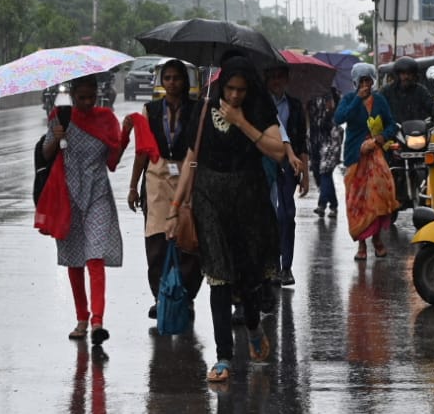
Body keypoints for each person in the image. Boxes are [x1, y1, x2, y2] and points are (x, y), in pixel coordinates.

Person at [167, 55, 288, 385]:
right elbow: (191, 158)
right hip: (209, 200)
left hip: (248, 201)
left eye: (241, 90)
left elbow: (278, 151)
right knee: (218, 276)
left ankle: (252, 325)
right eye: (230, 89)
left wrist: (241, 122)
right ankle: (222, 356)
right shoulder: (204, 109)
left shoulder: (258, 109)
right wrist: (175, 207)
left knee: (246, 277)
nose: (234, 95)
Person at [37, 74, 127, 345]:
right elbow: (45, 153)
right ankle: (81, 319)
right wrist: (55, 136)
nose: (87, 103)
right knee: (75, 259)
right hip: (67, 195)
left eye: (91, 97)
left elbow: (112, 161)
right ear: (73, 96)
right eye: (81, 98)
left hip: (98, 194)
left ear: (98, 94)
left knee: (94, 256)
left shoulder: (107, 119)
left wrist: (125, 136)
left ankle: (98, 320)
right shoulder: (60, 116)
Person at [126, 59, 204, 327]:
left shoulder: (197, 110)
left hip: (187, 174)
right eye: (167, 78)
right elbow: (141, 151)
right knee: (157, 242)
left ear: (186, 81)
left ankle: (186, 296)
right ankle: (160, 296)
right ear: (161, 81)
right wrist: (133, 186)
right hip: (157, 179)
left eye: (177, 78)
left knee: (188, 241)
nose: (172, 83)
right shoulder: (150, 110)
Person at [335, 62, 400, 260]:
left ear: (373, 81)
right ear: (355, 82)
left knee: (379, 194)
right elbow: (339, 118)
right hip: (355, 156)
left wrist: (380, 139)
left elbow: (391, 124)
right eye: (361, 81)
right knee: (357, 201)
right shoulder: (348, 99)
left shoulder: (379, 100)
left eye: (368, 80)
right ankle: (361, 244)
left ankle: (377, 239)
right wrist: (358, 100)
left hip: (376, 155)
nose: (365, 84)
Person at [264, 65, 311, 287]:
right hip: (264, 163)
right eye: (272, 77)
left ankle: (286, 267)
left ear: (286, 79)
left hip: (288, 165)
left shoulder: (294, 105)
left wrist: (305, 175)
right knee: (268, 215)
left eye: (279, 77)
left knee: (286, 214)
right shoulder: (258, 104)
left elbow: (302, 140)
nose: (275, 81)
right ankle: (270, 264)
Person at [307, 88, 343, 217]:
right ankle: (333, 205)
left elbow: (339, 114)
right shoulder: (309, 94)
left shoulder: (333, 92)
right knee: (318, 173)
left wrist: (331, 108)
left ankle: (322, 205)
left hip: (331, 137)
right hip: (315, 137)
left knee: (325, 171)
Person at [382, 55, 434, 125]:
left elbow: (433, 108)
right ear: (398, 75)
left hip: (417, 131)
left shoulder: (421, 91)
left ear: (414, 75)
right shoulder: (387, 91)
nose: (406, 76)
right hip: (394, 131)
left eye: (409, 73)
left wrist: (431, 121)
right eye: (403, 73)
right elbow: (379, 109)